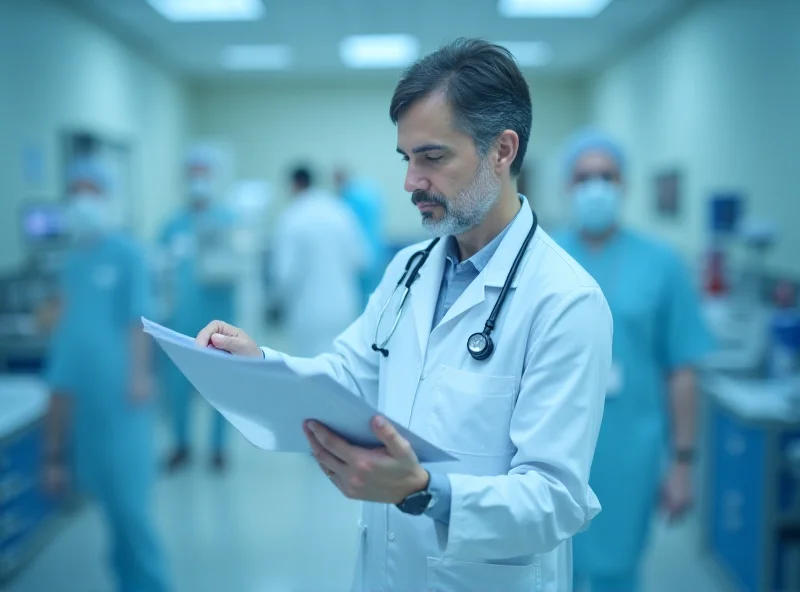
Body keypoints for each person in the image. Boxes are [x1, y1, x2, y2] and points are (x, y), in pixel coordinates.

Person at [195, 39, 612, 592]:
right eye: (407, 158)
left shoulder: (565, 301)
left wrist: (422, 491)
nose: (411, 181)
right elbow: (348, 377)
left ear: (502, 151)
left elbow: (555, 499)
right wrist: (259, 362)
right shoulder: (408, 270)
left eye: (432, 157)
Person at [552, 128, 714, 592]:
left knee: (618, 566)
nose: (595, 186)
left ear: (623, 185)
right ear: (568, 186)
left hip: (630, 446)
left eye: (607, 176)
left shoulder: (662, 263)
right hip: (551, 442)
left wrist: (682, 463)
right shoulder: (542, 257)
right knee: (547, 566)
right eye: (583, 177)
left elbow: (682, 368)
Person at [43, 158, 170, 592]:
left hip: (122, 397)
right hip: (86, 400)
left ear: (107, 196)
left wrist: (138, 374)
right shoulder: (74, 261)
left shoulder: (128, 253)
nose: (81, 200)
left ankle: (152, 584)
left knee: (132, 511)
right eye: (74, 190)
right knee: (110, 510)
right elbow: (68, 322)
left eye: (90, 190)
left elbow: (139, 320)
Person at [159, 147, 238, 472]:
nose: (198, 180)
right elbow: (158, 270)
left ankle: (218, 448)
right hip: (179, 320)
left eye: (204, 174)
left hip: (218, 319)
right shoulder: (172, 225)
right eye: (193, 174)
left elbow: (240, 265)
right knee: (176, 387)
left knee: (220, 384)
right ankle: (181, 444)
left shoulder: (229, 221)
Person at [271, 165, 368, 357]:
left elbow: (284, 275)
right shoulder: (340, 211)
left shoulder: (292, 217)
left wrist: (275, 302)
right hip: (343, 307)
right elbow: (360, 260)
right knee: (341, 366)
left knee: (308, 371)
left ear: (295, 184)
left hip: (307, 313)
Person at [334, 168, 388, 307]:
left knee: (360, 300)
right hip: (377, 251)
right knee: (374, 297)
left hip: (360, 254)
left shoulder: (348, 198)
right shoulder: (368, 192)